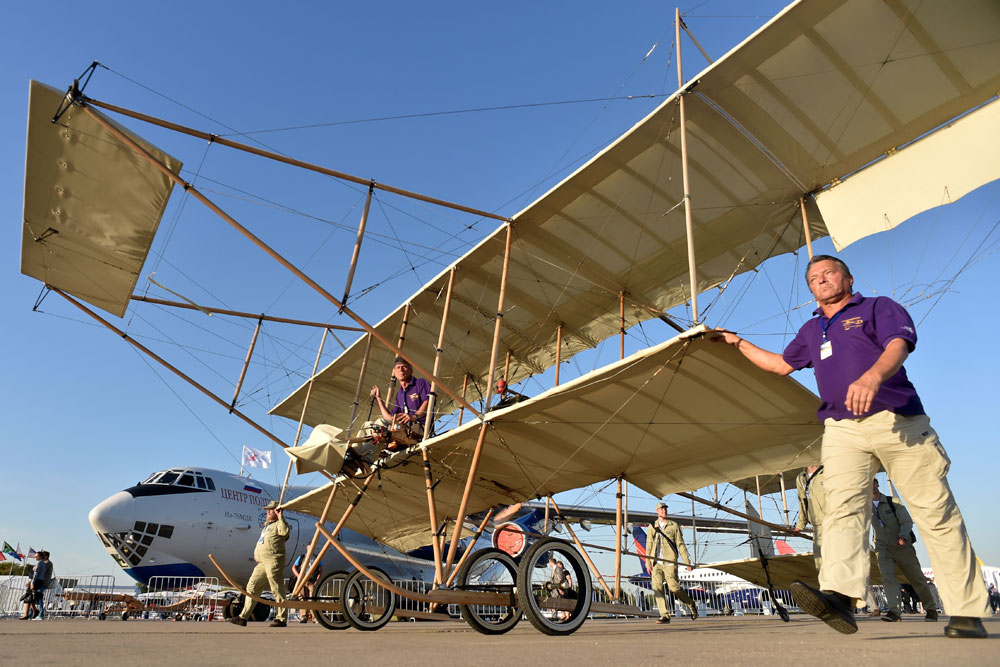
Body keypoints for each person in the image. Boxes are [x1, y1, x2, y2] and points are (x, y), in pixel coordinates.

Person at [718, 254, 989, 638]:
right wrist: (738, 342)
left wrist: (872, 377)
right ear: (810, 289)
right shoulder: (812, 330)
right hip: (842, 428)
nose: (821, 280)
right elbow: (780, 365)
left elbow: (899, 344)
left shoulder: (878, 308)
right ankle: (840, 598)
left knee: (935, 512)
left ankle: (966, 611)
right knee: (842, 510)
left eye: (829, 273)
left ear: (848, 278)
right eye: (813, 278)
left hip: (897, 419)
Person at [871, 479, 938, 622]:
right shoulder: (865, 507)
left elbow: (907, 521)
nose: (871, 487)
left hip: (901, 545)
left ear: (877, 484)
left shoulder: (893, 502)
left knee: (916, 578)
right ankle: (894, 612)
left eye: (873, 483)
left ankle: (931, 608)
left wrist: (903, 535)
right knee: (887, 578)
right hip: (882, 547)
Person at [229, 501, 290, 628]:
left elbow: (285, 532)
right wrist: (256, 553)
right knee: (252, 586)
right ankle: (243, 617)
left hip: (274, 560)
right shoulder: (267, 527)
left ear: (277, 511)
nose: (268, 512)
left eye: (271, 510)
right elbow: (262, 542)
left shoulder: (279, 524)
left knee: (276, 587)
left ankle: (281, 618)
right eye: (267, 509)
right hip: (262, 562)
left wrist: (281, 517)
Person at [645, 501, 698, 624]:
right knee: (657, 587)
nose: (664, 511)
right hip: (656, 562)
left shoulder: (674, 526)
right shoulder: (652, 527)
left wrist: (687, 562)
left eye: (665, 509)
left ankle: (690, 603)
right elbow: (649, 546)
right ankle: (665, 615)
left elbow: (680, 544)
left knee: (674, 588)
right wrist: (648, 563)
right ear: (657, 511)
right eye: (661, 509)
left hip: (669, 561)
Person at [368, 357, 431, 446]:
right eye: (398, 367)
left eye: (404, 367)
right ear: (394, 372)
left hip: (420, 428)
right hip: (403, 428)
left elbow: (428, 402)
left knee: (380, 424)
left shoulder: (421, 383)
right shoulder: (400, 394)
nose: (401, 370)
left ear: (411, 370)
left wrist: (414, 417)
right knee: (370, 425)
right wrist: (378, 398)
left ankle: (365, 457)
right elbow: (390, 418)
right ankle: (357, 455)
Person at [793, 465, 826, 570]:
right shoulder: (800, 478)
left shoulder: (828, 471)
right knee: (820, 563)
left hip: (835, 523)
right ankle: (826, 586)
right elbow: (802, 502)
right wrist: (800, 525)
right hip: (817, 526)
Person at [21, 550, 52, 621]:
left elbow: (38, 573)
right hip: (39, 581)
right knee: (33, 597)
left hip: (43, 583)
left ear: (46, 556)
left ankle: (40, 614)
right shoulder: (43, 563)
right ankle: (31, 613)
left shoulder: (47, 564)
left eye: (42, 555)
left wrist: (32, 582)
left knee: (38, 596)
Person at [291, 553, 323, 623]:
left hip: (312, 581)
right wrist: (298, 576)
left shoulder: (316, 557)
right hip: (302, 581)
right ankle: (304, 616)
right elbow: (294, 567)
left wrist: (317, 580)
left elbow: (320, 569)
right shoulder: (302, 557)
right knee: (302, 598)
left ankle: (314, 617)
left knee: (312, 599)